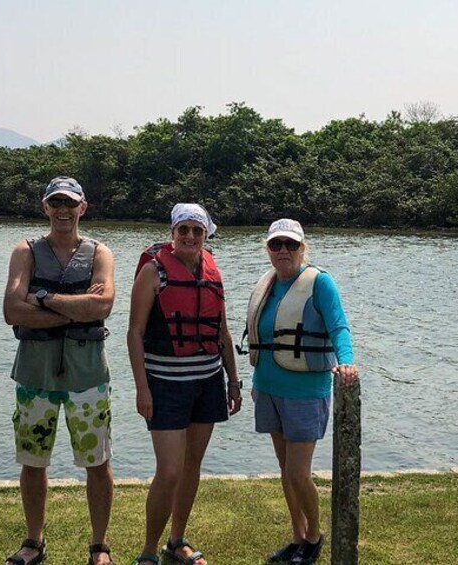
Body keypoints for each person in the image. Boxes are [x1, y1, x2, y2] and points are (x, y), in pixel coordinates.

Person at [2, 176, 117, 565]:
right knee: (33, 462)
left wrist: (46, 300)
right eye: (56, 203)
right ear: (45, 207)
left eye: (71, 203)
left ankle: (99, 545)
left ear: (83, 207)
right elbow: (12, 311)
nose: (63, 210)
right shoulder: (26, 251)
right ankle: (33, 542)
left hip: (88, 376)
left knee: (97, 462)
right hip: (35, 375)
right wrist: (75, 309)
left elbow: (103, 307)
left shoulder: (100, 252)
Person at [127, 203, 242, 565]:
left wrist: (234, 381)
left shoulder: (213, 271)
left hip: (207, 381)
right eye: (183, 230)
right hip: (165, 383)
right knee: (170, 469)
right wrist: (141, 388)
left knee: (192, 464)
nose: (190, 236)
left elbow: (222, 333)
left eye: (197, 230)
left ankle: (176, 542)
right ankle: (148, 549)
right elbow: (134, 333)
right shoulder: (154, 271)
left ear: (206, 234)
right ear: (173, 232)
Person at [242, 219, 359, 565]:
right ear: (268, 249)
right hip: (268, 387)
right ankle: (297, 536)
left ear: (302, 248)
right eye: (276, 245)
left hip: (305, 390)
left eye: (290, 245)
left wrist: (347, 361)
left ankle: (314, 535)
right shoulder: (267, 285)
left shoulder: (319, 283)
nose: (283, 251)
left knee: (297, 472)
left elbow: (339, 325)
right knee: (284, 469)